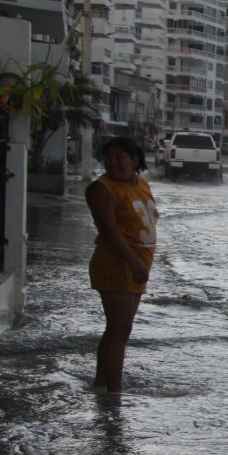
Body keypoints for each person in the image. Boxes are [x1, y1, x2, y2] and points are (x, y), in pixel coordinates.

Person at [86, 137, 159, 394]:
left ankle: (101, 383)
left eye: (120, 157)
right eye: (109, 158)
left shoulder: (142, 185)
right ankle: (114, 394)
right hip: (116, 262)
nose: (114, 163)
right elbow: (109, 229)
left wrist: (141, 261)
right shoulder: (101, 189)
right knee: (120, 331)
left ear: (135, 160)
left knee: (116, 329)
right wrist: (133, 261)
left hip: (137, 264)